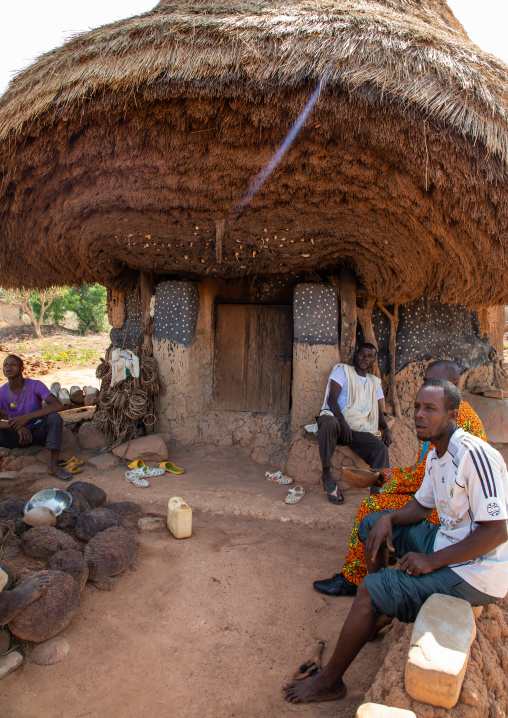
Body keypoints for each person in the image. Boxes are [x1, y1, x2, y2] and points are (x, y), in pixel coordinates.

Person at [284, 379, 508, 704]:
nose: (419, 414)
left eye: (430, 408)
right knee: (373, 523)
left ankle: (331, 681)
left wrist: (432, 560)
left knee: (369, 590)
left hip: (475, 572)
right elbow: (421, 505)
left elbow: (496, 531)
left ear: (452, 415)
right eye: (417, 407)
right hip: (446, 545)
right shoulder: (436, 455)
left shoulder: (474, 456)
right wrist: (389, 518)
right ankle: (377, 612)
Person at [313, 360, 486, 596]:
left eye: (437, 382)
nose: (428, 386)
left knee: (372, 506)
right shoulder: (447, 413)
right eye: (426, 381)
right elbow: (424, 473)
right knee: (386, 496)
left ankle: (355, 577)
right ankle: (389, 550)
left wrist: (383, 477)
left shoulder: (457, 420)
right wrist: (385, 476)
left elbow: (421, 479)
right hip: (439, 498)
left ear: (454, 386)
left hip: (446, 511)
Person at [317, 343, 392, 504]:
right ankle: (326, 475)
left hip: (358, 428)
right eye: (362, 354)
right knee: (328, 421)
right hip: (337, 423)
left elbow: (378, 411)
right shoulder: (343, 371)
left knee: (381, 449)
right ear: (356, 354)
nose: (365, 358)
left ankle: (376, 499)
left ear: (374, 359)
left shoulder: (374, 382)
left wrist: (386, 428)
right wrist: (343, 424)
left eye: (369, 356)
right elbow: (331, 400)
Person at [0, 355, 71, 480]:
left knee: (54, 417)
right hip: (16, 435)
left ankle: (53, 466)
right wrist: (17, 427)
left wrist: (27, 417)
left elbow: (57, 405)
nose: (8, 367)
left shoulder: (35, 385)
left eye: (13, 364)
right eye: (5, 365)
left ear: (22, 369)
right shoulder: (2, 392)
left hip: (38, 432)